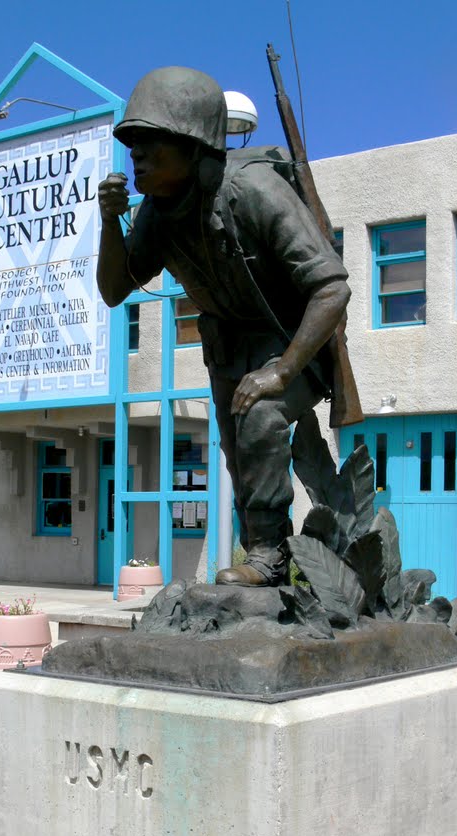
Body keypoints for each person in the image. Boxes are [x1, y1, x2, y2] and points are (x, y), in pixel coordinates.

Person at [97, 66, 351, 587]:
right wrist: (109, 224)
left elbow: (331, 288)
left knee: (259, 415)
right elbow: (114, 288)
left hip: (291, 337)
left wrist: (282, 371)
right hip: (228, 347)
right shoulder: (157, 212)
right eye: (132, 146)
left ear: (194, 147)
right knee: (241, 454)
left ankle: (267, 553)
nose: (136, 157)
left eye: (151, 144)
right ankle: (270, 553)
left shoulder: (253, 189)